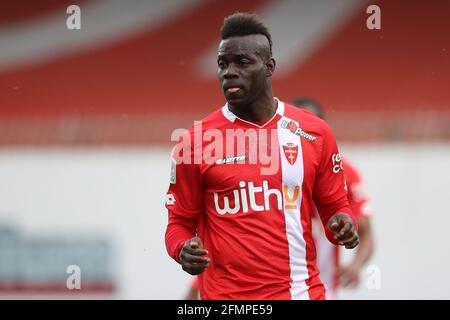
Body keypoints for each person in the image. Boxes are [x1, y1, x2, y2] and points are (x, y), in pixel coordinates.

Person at [165, 12, 359, 300]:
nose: (229, 72)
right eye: (223, 64)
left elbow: (335, 208)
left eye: (242, 63)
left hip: (300, 292)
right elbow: (178, 222)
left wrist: (342, 225)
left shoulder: (314, 132)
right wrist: (182, 249)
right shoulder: (194, 141)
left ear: (269, 67)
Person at [290, 97, 375, 299]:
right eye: (297, 125)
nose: (303, 132)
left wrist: (355, 266)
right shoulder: (271, 173)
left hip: (323, 291)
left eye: (310, 123)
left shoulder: (345, 173)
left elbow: (366, 231)